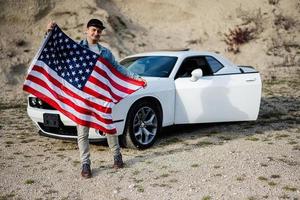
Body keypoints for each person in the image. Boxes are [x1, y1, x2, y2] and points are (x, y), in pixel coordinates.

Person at [46, 19, 146, 178]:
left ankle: (117, 156)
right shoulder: (77, 48)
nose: (96, 33)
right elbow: (59, 51)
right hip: (83, 97)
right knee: (82, 132)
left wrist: (136, 77)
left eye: (99, 31)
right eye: (93, 30)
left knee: (108, 127)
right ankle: (85, 164)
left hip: (101, 97)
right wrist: (50, 32)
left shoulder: (105, 52)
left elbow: (118, 68)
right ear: (86, 30)